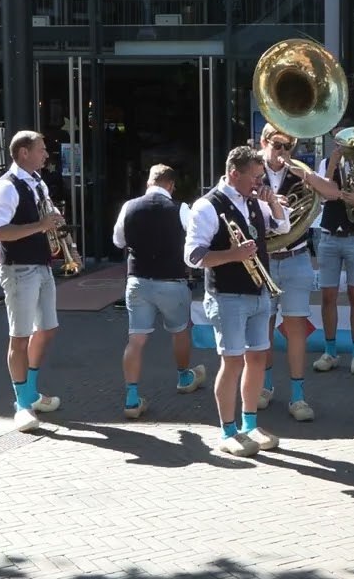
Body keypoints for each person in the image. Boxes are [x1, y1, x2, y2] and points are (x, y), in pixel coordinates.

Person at [184, 146, 290, 457]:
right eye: (255, 177)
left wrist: (272, 203)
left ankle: (249, 424)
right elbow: (192, 257)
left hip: (258, 292)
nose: (260, 183)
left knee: (257, 358)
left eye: (262, 177)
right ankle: (227, 431)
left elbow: (282, 227)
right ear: (234, 174)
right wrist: (233, 255)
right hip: (227, 295)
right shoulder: (206, 207)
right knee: (231, 362)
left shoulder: (254, 201)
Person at [255, 124, 341, 421]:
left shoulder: (298, 170)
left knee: (295, 330)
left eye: (288, 147)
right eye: (277, 145)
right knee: (261, 328)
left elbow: (333, 192)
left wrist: (302, 171)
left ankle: (297, 395)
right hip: (262, 260)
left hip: (296, 258)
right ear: (263, 142)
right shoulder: (250, 168)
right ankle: (264, 388)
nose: (282, 153)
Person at [0, 130, 66, 433]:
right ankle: (21, 403)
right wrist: (40, 225)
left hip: (41, 264)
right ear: (23, 153)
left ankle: (31, 392)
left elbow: (45, 216)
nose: (46, 155)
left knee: (47, 328)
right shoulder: (4, 187)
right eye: (41, 150)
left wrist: (53, 217)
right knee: (19, 337)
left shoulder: (38, 182)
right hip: (19, 268)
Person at [111, 164, 208, 420]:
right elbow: (195, 240)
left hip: (138, 280)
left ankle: (132, 397)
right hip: (171, 280)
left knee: (136, 339)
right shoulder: (181, 209)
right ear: (171, 185)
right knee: (180, 331)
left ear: (149, 183)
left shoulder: (129, 206)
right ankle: (184, 376)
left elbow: (118, 241)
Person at [311, 126, 354, 376]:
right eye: (337, 140)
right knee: (328, 296)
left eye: (347, 140)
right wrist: (333, 163)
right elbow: (322, 195)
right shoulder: (325, 164)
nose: (342, 145)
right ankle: (330, 352)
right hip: (330, 236)